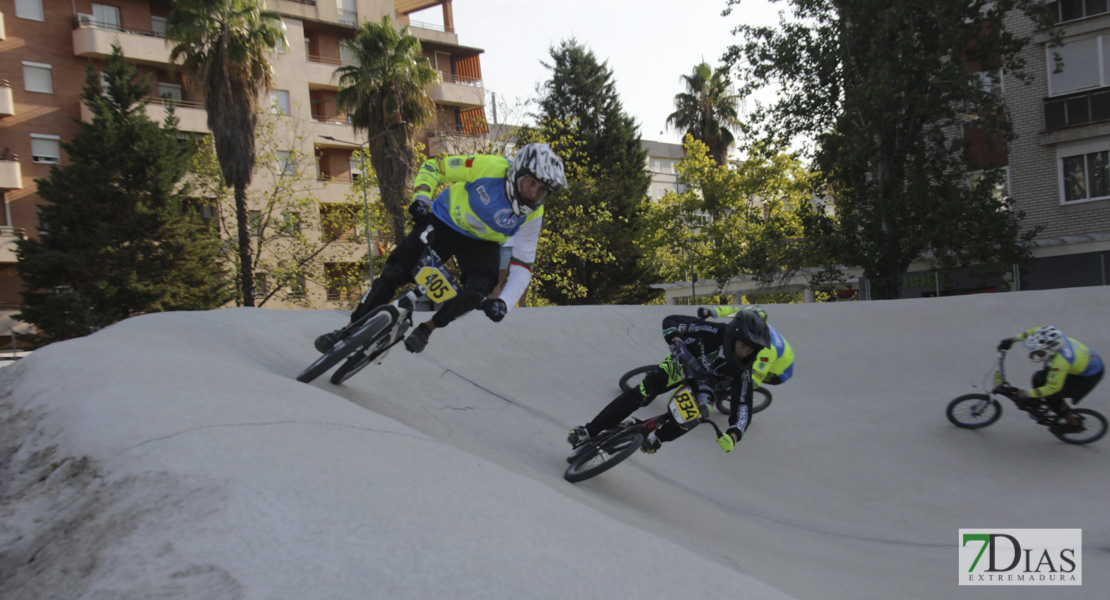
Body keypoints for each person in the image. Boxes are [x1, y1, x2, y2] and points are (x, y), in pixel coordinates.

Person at [315, 143, 567, 354]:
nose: (534, 193)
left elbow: (523, 265)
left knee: (480, 289)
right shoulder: (489, 167)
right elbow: (435, 167)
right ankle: (348, 329)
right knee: (393, 273)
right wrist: (421, 199)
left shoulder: (534, 215)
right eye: (531, 182)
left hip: (483, 243)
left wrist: (504, 303)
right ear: (516, 172)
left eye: (542, 189)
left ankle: (427, 329)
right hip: (445, 220)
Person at [567, 309, 770, 454]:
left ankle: (657, 438)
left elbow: (743, 408)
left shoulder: (743, 373)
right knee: (641, 394)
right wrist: (676, 339)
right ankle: (588, 431)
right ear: (733, 336)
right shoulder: (714, 331)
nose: (745, 352)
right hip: (683, 364)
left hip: (704, 386)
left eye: (751, 349)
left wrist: (733, 436)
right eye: (743, 345)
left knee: (693, 416)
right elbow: (673, 321)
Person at [997, 326, 1104, 434]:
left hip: (1087, 376)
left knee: (1053, 398)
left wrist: (1022, 392)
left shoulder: (1060, 363)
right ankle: (1036, 402)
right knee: (1039, 377)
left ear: (1050, 349)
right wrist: (1010, 340)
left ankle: (1074, 424)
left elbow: (1052, 388)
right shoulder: (1048, 336)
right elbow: (1029, 333)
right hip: (1084, 362)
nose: (1035, 353)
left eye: (1038, 352)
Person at [698, 305, 794, 388]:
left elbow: (759, 372)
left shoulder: (767, 350)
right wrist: (711, 312)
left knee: (741, 372)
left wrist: (748, 382)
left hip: (779, 373)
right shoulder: (750, 321)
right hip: (779, 356)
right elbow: (732, 311)